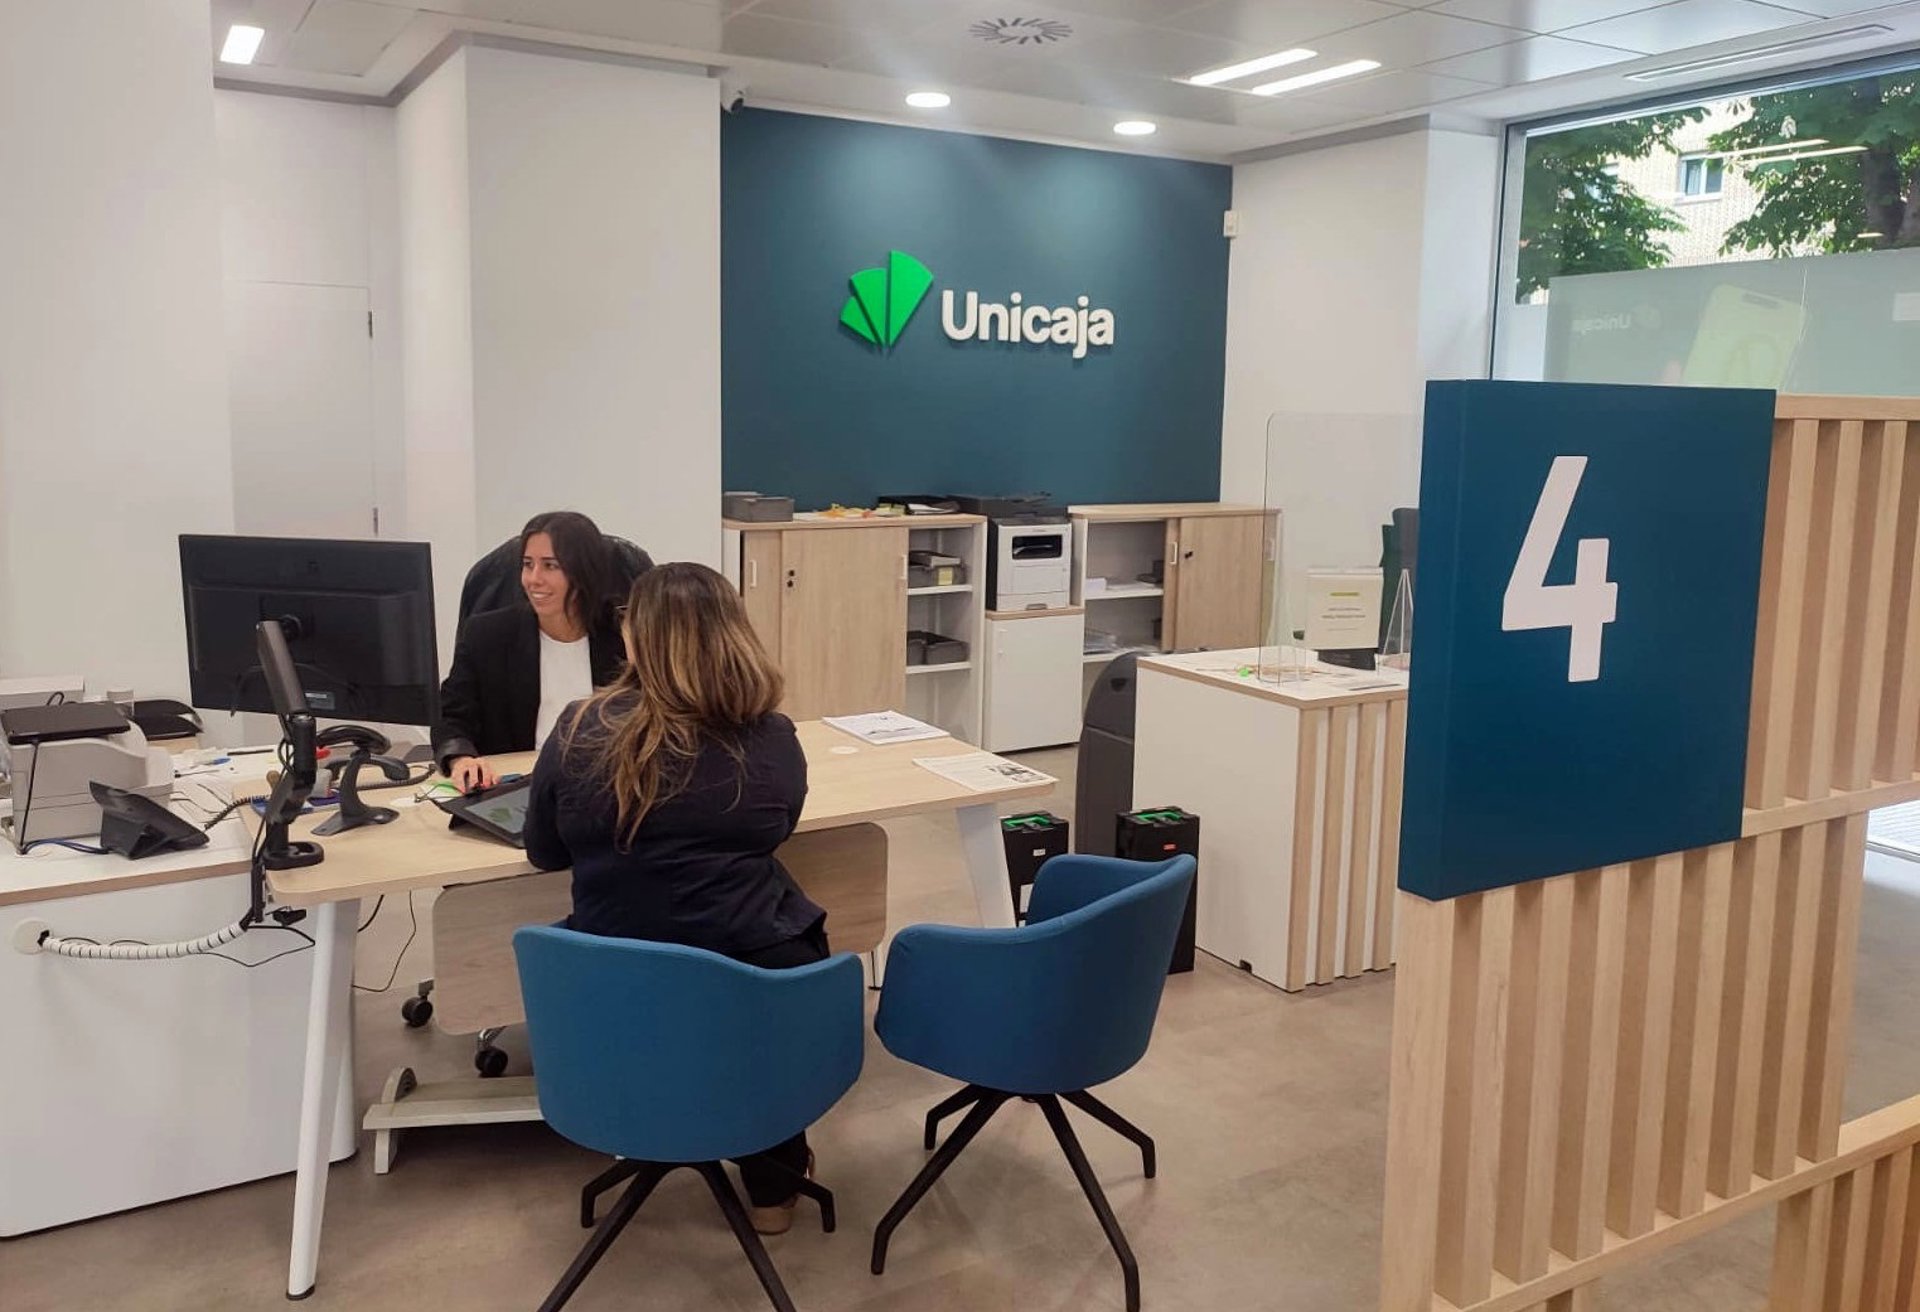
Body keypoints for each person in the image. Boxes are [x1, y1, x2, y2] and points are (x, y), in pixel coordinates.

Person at [521, 561, 824, 1236]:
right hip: (754, 982)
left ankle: (654, 1120)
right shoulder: (771, 737)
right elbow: (777, 828)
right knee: (763, 957)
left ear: (638, 638)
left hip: (613, 988)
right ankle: (773, 1193)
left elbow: (543, 851)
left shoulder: (578, 729)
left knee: (675, 996)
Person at [432, 511, 629, 791]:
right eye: (527, 565)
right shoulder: (489, 635)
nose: (533, 579)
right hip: (520, 785)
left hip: (608, 784)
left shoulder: (623, 637)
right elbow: (451, 717)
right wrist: (461, 759)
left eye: (550, 566)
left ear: (584, 572)